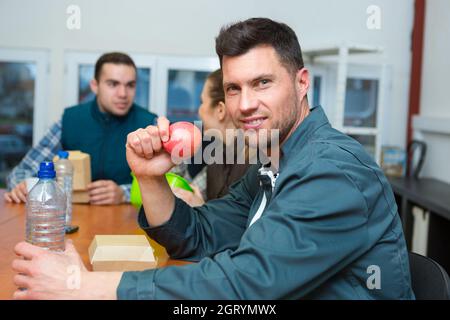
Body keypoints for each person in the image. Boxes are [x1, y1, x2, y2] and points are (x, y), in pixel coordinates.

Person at [11, 18, 414, 299]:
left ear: (302, 82)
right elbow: (199, 236)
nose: (246, 104)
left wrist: (85, 287)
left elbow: (249, 285)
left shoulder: (333, 170)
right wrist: (150, 179)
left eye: (262, 83)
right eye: (233, 88)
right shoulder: (273, 165)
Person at [4, 52, 157, 205]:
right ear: (95, 86)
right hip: (74, 219)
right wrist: (22, 186)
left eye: (130, 85)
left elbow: (172, 185)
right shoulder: (70, 119)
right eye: (113, 84)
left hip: (131, 221)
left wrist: (124, 193)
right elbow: (22, 172)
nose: (123, 94)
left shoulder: (150, 125)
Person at [170, 69, 252, 207]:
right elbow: (185, 190)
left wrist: (201, 208)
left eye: (202, 102)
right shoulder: (218, 154)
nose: (199, 111)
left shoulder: (256, 164)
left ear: (220, 110)